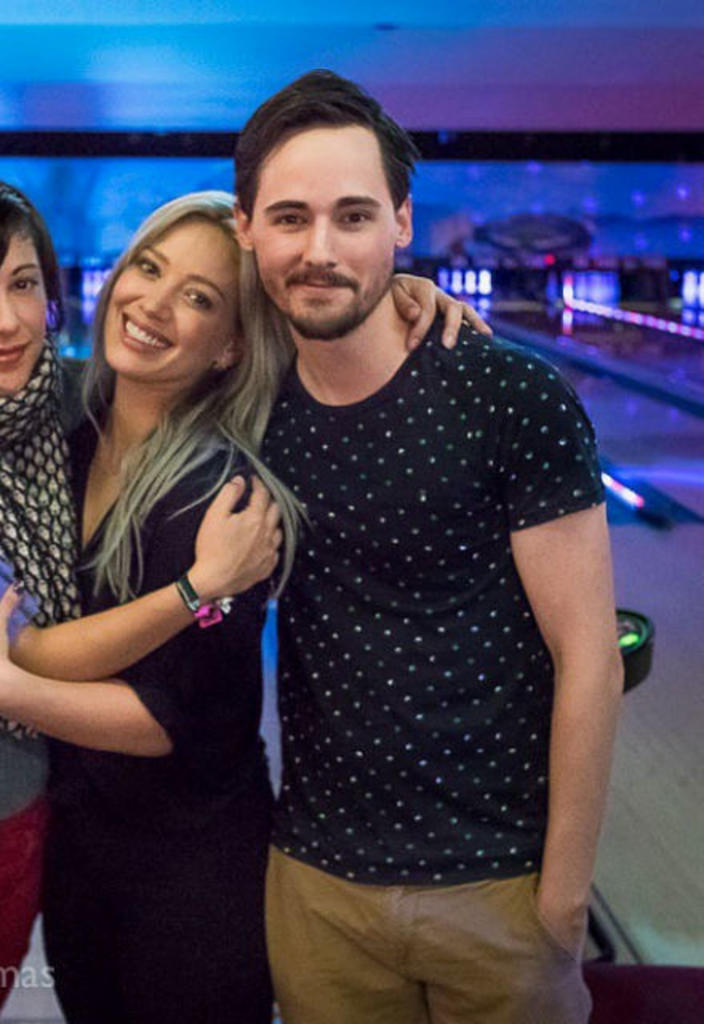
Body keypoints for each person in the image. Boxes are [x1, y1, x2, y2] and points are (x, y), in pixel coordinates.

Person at [0, 190, 488, 1023]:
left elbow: (166, 722)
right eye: (148, 269)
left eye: (199, 298)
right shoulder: (70, 433)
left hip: (192, 881)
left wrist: (1, 681)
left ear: (230, 347)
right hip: (80, 853)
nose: (153, 304)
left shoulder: (221, 497)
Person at [0, 172, 282, 1024]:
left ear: (230, 345)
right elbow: (12, 652)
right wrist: (194, 590)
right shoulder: (18, 432)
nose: (6, 322)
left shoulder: (197, 487)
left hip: (172, 866)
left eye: (23, 285)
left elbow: (171, 720)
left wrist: (403, 299)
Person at [232, 70, 625, 1024]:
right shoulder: (245, 406)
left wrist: (564, 895)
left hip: (498, 884)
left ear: (402, 222)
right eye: (289, 218)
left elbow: (590, 652)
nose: (320, 249)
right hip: (316, 882)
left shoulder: (510, 397)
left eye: (353, 216)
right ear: (246, 229)